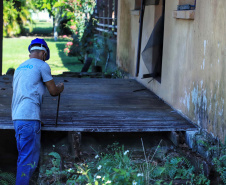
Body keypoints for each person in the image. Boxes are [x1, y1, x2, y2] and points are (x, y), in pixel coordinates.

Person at [11, 38, 64, 185]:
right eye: (45, 56)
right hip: (29, 119)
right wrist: (60, 87)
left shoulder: (19, 68)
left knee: (25, 157)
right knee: (28, 160)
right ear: (42, 53)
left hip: (18, 118)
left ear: (30, 53)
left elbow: (25, 91)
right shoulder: (42, 65)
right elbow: (53, 91)